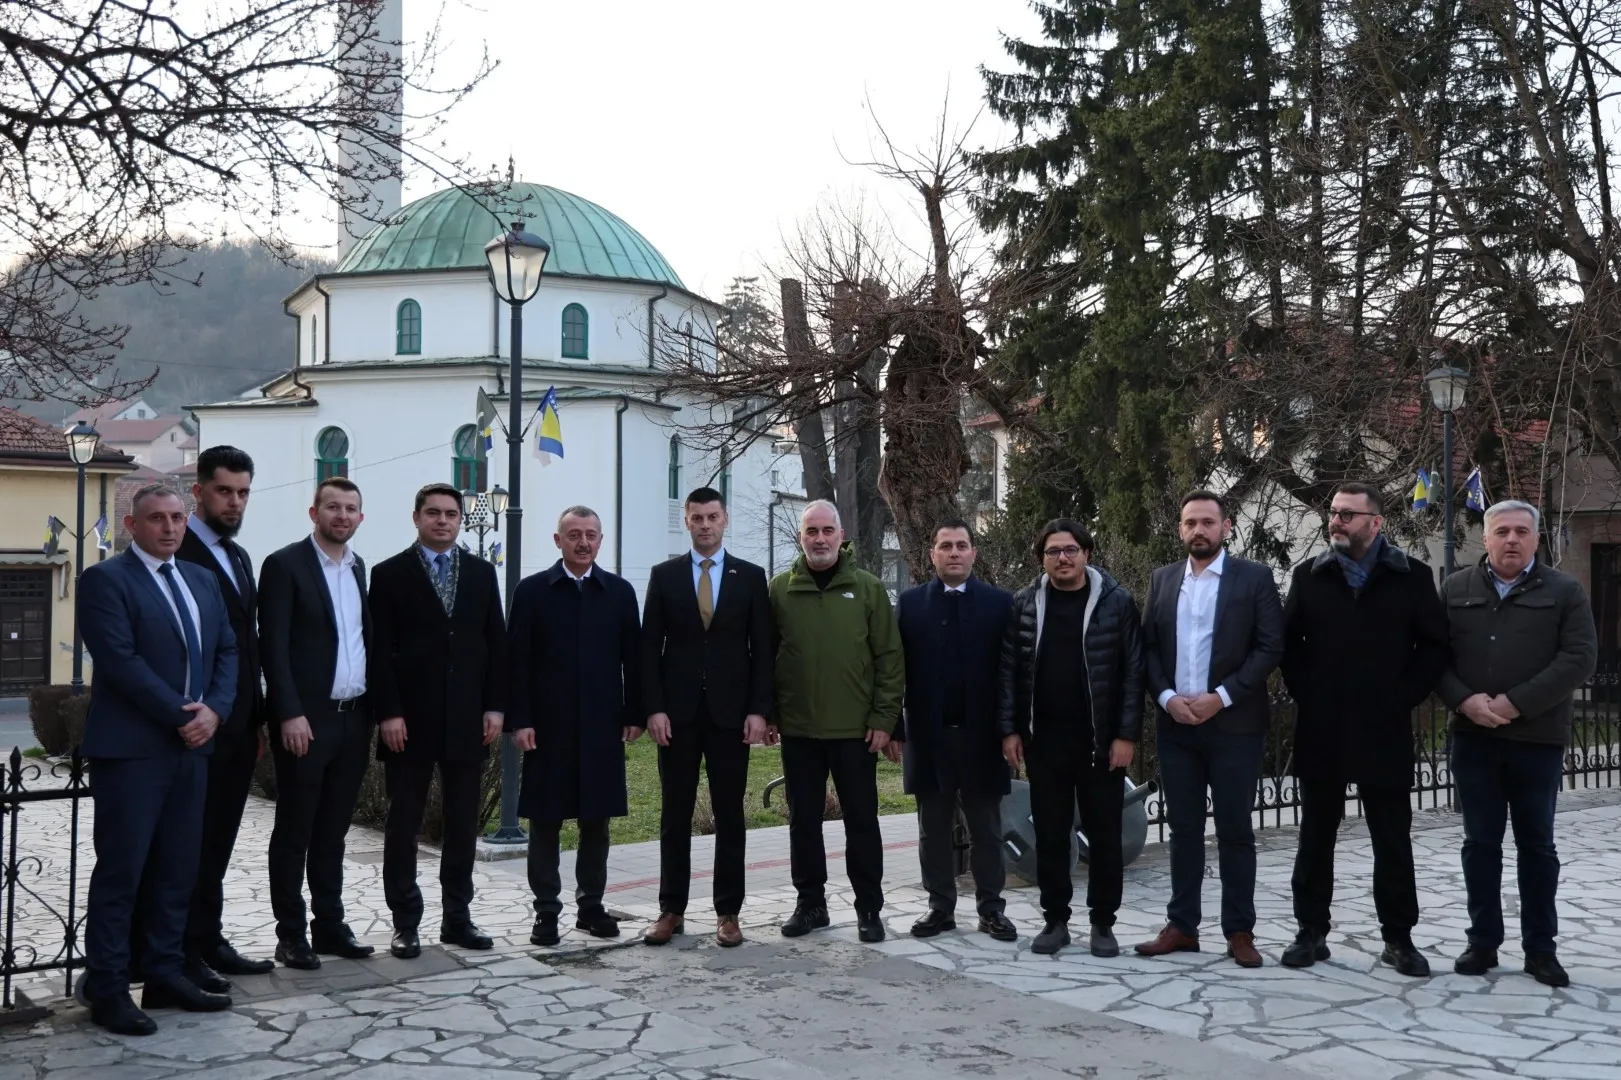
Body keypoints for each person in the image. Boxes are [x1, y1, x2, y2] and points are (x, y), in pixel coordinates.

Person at [78, 483, 238, 1035]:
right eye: (156, 519)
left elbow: (228, 649)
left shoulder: (201, 579)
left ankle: (165, 974)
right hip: (132, 751)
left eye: (177, 518)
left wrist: (215, 711)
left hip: (192, 748)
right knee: (123, 872)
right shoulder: (106, 580)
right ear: (131, 525)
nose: (170, 527)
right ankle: (108, 987)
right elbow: (119, 661)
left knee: (177, 869)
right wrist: (183, 714)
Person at [1279, 481, 1448, 977]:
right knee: (1315, 837)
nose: (1336, 521)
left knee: (1392, 840)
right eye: (1334, 512)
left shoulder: (1411, 576)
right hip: (1323, 728)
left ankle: (1399, 938)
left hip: (1384, 729)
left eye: (1347, 514)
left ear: (1376, 523)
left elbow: (1434, 647)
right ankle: (1311, 932)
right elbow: (1287, 645)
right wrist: (1311, 692)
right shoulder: (1309, 576)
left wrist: (1400, 697)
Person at [1438, 499, 1597, 988]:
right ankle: (1482, 942)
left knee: (1537, 847)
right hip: (1474, 738)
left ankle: (1540, 949)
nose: (1512, 539)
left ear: (1536, 539)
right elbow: (1433, 656)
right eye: (1502, 531)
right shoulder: (1456, 589)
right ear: (1485, 538)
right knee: (1480, 844)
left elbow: (1579, 658)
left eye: (1521, 532)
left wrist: (1515, 703)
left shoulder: (1564, 590)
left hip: (1536, 740)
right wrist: (1464, 701)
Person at [1135, 491, 1283, 968]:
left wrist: (1221, 696)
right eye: (1190, 523)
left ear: (1226, 527)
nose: (1198, 530)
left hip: (1235, 725)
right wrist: (1166, 698)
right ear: (1180, 529)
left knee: (1235, 830)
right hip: (1177, 725)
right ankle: (1182, 926)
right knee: (1183, 829)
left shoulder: (1254, 578)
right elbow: (1148, 648)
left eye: (1207, 522)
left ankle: (1239, 931)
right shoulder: (1162, 579)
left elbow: (1269, 646)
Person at [368, 484, 507, 960]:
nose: (442, 520)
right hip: (408, 721)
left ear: (461, 519)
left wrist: (495, 706)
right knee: (402, 824)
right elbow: (378, 651)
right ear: (416, 518)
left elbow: (495, 642)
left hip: (468, 718)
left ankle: (457, 917)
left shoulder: (482, 573)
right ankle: (405, 921)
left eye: (450, 513)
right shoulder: (389, 574)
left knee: (462, 823)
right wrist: (388, 711)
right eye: (433, 513)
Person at [999, 518, 1144, 958]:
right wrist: (1010, 729)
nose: (1062, 558)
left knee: (1105, 834)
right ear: (1041, 559)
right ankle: (1055, 921)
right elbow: (1009, 672)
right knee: (1051, 833)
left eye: (1070, 550)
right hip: (1044, 741)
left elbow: (1133, 673)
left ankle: (1103, 923)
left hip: (1100, 742)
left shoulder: (1116, 602)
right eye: (1053, 551)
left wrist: (1126, 735)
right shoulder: (1025, 603)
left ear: (1086, 553)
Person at [640, 487, 773, 948]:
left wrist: (759, 710)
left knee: (729, 814)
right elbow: (648, 648)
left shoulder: (750, 577)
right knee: (674, 814)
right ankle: (670, 909)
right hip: (676, 716)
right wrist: (653, 707)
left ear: (725, 520)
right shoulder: (664, 575)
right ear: (687, 521)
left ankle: (728, 912)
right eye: (696, 517)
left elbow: (763, 651)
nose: (704, 525)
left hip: (731, 717)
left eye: (712, 517)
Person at [769, 500, 903, 944]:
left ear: (842, 537)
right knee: (803, 822)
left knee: (862, 822)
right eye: (812, 531)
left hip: (856, 732)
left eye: (828, 530)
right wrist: (771, 714)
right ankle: (811, 905)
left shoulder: (867, 589)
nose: (820, 538)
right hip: (799, 731)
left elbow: (889, 658)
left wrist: (884, 718)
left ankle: (869, 909)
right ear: (800, 537)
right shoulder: (780, 590)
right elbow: (765, 656)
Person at [508, 505, 642, 946]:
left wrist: (634, 713)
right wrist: (520, 719)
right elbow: (517, 662)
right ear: (558, 540)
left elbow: (634, 660)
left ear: (601, 540)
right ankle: (546, 910)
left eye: (591, 535)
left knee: (596, 821)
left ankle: (591, 907)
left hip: (602, 727)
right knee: (545, 822)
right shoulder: (532, 592)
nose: (583, 543)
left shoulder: (619, 592)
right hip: (547, 728)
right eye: (574, 535)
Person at [259, 476, 376, 970]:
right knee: (296, 829)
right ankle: (291, 934)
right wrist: (288, 712)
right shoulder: (284, 565)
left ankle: (329, 925)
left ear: (360, 517)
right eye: (333, 507)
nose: (341, 516)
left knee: (333, 831)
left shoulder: (357, 567)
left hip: (353, 720)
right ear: (314, 513)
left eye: (350, 508)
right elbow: (273, 646)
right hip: (305, 722)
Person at [893, 519, 1017, 942]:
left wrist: (1011, 729)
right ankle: (940, 907)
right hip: (928, 736)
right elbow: (894, 669)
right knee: (933, 829)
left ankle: (991, 909)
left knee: (987, 829)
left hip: (984, 737)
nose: (954, 553)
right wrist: (894, 726)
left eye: (961, 545)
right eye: (945, 545)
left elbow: (1011, 672)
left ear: (973, 553)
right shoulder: (910, 604)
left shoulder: (999, 604)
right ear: (932, 554)